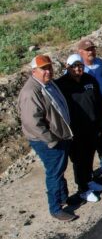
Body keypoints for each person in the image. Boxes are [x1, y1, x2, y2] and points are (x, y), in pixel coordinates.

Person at [19, 55, 76, 221]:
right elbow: (32, 123)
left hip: (59, 136)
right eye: (43, 68)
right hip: (48, 141)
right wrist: (52, 139)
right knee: (54, 173)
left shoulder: (48, 84)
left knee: (60, 168)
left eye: (49, 67)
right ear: (34, 71)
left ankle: (64, 197)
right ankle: (56, 207)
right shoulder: (31, 92)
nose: (48, 71)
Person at [56, 54, 102, 203]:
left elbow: (98, 101)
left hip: (92, 127)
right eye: (74, 66)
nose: (78, 68)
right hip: (75, 130)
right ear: (68, 67)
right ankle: (83, 189)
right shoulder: (61, 85)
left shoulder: (89, 79)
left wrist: (100, 121)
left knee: (90, 155)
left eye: (80, 65)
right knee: (79, 160)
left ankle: (89, 180)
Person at [77, 38, 102, 175]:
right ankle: (89, 175)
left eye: (92, 49)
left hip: (101, 107)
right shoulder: (78, 69)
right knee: (89, 145)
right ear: (80, 52)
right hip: (86, 113)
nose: (90, 52)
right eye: (87, 50)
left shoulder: (100, 63)